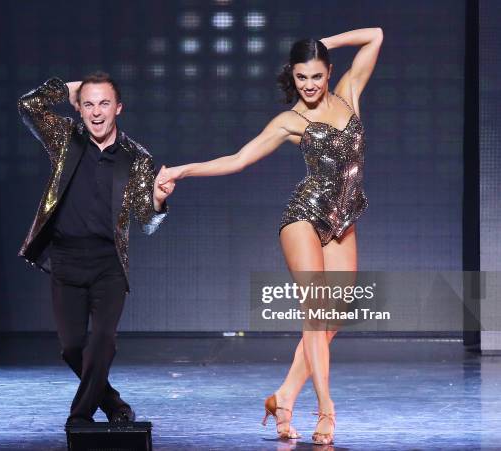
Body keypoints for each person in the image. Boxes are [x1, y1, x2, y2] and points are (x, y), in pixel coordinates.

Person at [158, 28, 383, 444]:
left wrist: (320, 45)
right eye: (301, 77)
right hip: (303, 216)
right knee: (316, 314)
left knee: (334, 318)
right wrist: (182, 170)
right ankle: (327, 411)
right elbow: (239, 159)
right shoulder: (289, 121)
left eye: (316, 75)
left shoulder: (350, 92)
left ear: (329, 72)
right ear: (292, 78)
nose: (310, 85)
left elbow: (376, 36)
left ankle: (283, 397)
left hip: (343, 220)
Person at [17, 72, 175, 428]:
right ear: (80, 108)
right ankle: (113, 403)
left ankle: (80, 416)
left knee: (102, 340)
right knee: (73, 348)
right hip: (66, 261)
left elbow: (146, 221)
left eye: (104, 103)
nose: (96, 112)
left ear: (119, 108)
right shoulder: (65, 139)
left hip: (108, 265)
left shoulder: (136, 158)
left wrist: (159, 202)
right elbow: (28, 106)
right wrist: (70, 88)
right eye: (88, 104)